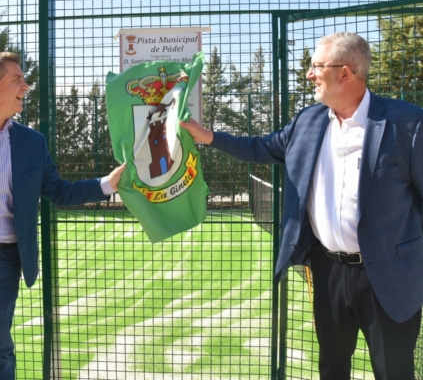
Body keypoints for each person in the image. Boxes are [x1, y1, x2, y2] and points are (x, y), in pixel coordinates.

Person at [180, 32, 423, 379]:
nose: (309, 74)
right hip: (327, 272)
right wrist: (209, 137)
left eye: (316, 66)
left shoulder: (407, 124)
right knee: (332, 368)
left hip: (389, 274)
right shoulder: (308, 122)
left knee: (394, 371)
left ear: (345, 73)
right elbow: (262, 147)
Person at [0, 51, 125, 379]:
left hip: (3, 264)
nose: (26, 85)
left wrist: (107, 184)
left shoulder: (32, 143)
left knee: (1, 354)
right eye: (17, 79)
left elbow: (59, 191)